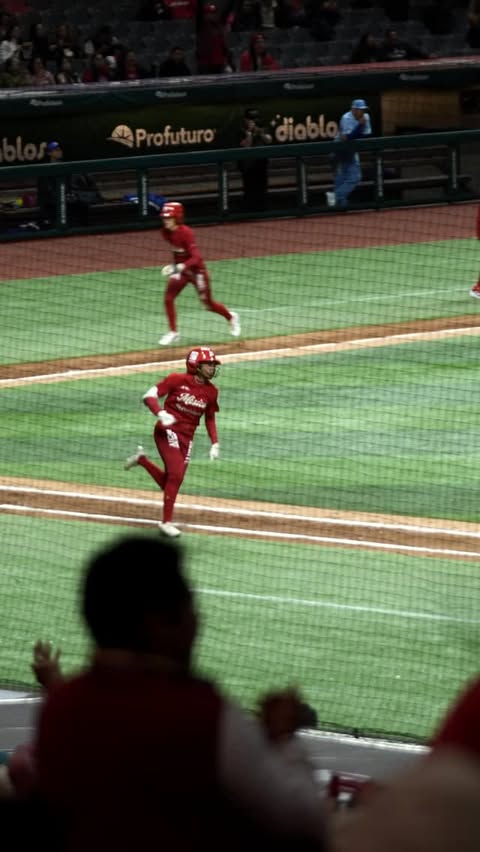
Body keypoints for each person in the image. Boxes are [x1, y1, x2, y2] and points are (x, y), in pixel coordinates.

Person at [34, 534, 326, 851]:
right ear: (160, 623)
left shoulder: (59, 709)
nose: (197, 619)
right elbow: (305, 821)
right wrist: (283, 741)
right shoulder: (206, 716)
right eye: (188, 605)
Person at [124, 346, 222, 537]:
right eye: (208, 364)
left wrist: (215, 442)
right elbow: (149, 396)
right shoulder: (177, 380)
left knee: (172, 482)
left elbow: (209, 418)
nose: (212, 368)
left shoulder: (211, 392)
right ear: (196, 365)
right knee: (175, 475)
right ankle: (166, 523)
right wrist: (160, 413)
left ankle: (142, 460)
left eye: (213, 365)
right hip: (166, 430)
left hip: (187, 438)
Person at [156, 201, 240, 345]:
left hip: (197, 272)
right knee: (168, 298)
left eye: (169, 218)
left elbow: (196, 258)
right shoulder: (165, 233)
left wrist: (179, 267)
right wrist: (174, 267)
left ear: (177, 218)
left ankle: (231, 317)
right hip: (182, 272)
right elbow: (178, 252)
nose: (166, 221)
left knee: (208, 304)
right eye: (164, 218)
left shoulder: (186, 233)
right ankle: (173, 332)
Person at [325, 98, 372, 211]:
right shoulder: (346, 118)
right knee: (341, 178)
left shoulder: (366, 117)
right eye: (360, 109)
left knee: (355, 177)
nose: (363, 112)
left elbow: (366, 134)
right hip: (339, 150)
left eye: (364, 109)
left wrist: (358, 130)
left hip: (351, 149)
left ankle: (336, 198)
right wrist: (360, 127)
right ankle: (341, 206)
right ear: (353, 109)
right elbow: (348, 138)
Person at [238, 106, 273, 210]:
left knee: (262, 189)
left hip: (261, 164)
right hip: (248, 166)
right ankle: (249, 211)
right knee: (250, 190)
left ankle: (263, 210)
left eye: (255, 119)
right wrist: (249, 133)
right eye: (250, 119)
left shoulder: (262, 128)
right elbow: (245, 145)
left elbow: (269, 140)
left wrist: (260, 132)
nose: (253, 121)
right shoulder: (241, 130)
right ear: (245, 120)